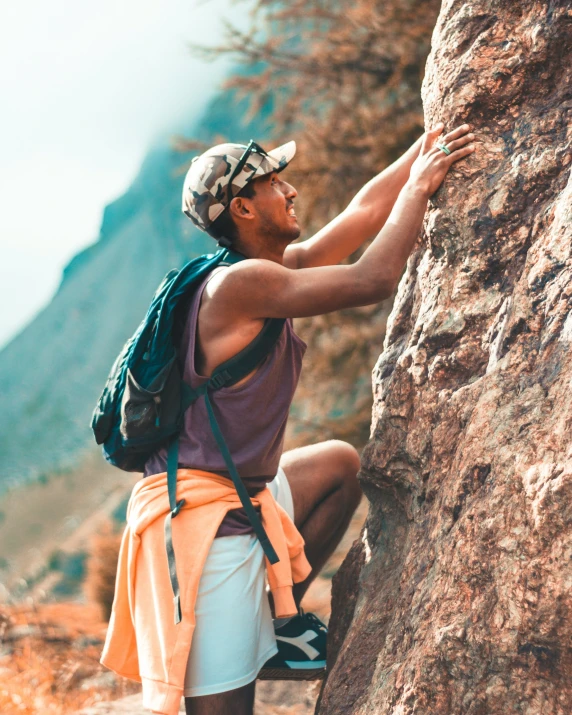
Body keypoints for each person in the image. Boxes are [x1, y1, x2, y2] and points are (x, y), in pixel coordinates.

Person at [147, 122, 475, 715]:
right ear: (243, 207)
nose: (291, 191)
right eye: (275, 183)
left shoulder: (267, 269)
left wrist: (433, 138)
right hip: (207, 528)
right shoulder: (241, 285)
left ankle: (274, 625)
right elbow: (371, 278)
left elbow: (359, 214)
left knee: (337, 465)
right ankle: (248, 632)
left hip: (247, 495)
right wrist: (419, 191)